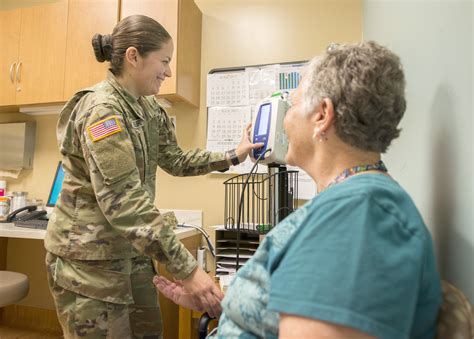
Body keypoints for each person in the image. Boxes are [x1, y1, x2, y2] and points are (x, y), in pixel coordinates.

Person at [154, 41, 443, 338]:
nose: (286, 120)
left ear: (322, 115)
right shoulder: (347, 206)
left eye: (291, 105)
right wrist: (230, 304)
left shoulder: (357, 220)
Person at [44, 15, 262, 338]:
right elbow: (125, 203)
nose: (169, 72)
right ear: (134, 57)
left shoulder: (148, 108)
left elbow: (175, 159)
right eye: (164, 61)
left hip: (131, 256)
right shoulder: (102, 110)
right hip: (89, 265)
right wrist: (188, 270)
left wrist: (233, 155)